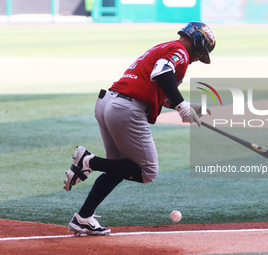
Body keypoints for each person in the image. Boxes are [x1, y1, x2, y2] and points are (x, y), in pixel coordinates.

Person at [63, 21, 216, 235]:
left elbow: (161, 95)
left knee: (118, 168)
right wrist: (181, 106)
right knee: (148, 172)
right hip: (126, 109)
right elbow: (162, 74)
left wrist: (188, 106)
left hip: (109, 102)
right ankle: (88, 161)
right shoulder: (180, 51)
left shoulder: (166, 47)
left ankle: (83, 218)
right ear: (198, 42)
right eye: (202, 53)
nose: (199, 59)